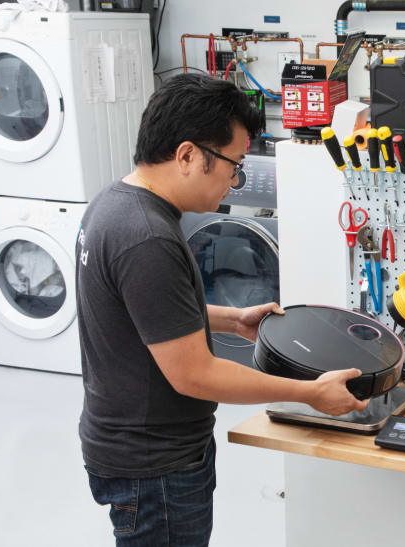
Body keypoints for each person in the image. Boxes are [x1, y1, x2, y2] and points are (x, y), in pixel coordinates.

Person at [76, 73, 367, 546]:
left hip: (132, 446)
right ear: (189, 155)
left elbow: (140, 311)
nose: (234, 183)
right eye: (234, 166)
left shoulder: (113, 204)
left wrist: (230, 317)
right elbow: (196, 374)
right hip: (157, 465)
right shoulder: (147, 237)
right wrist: (308, 392)